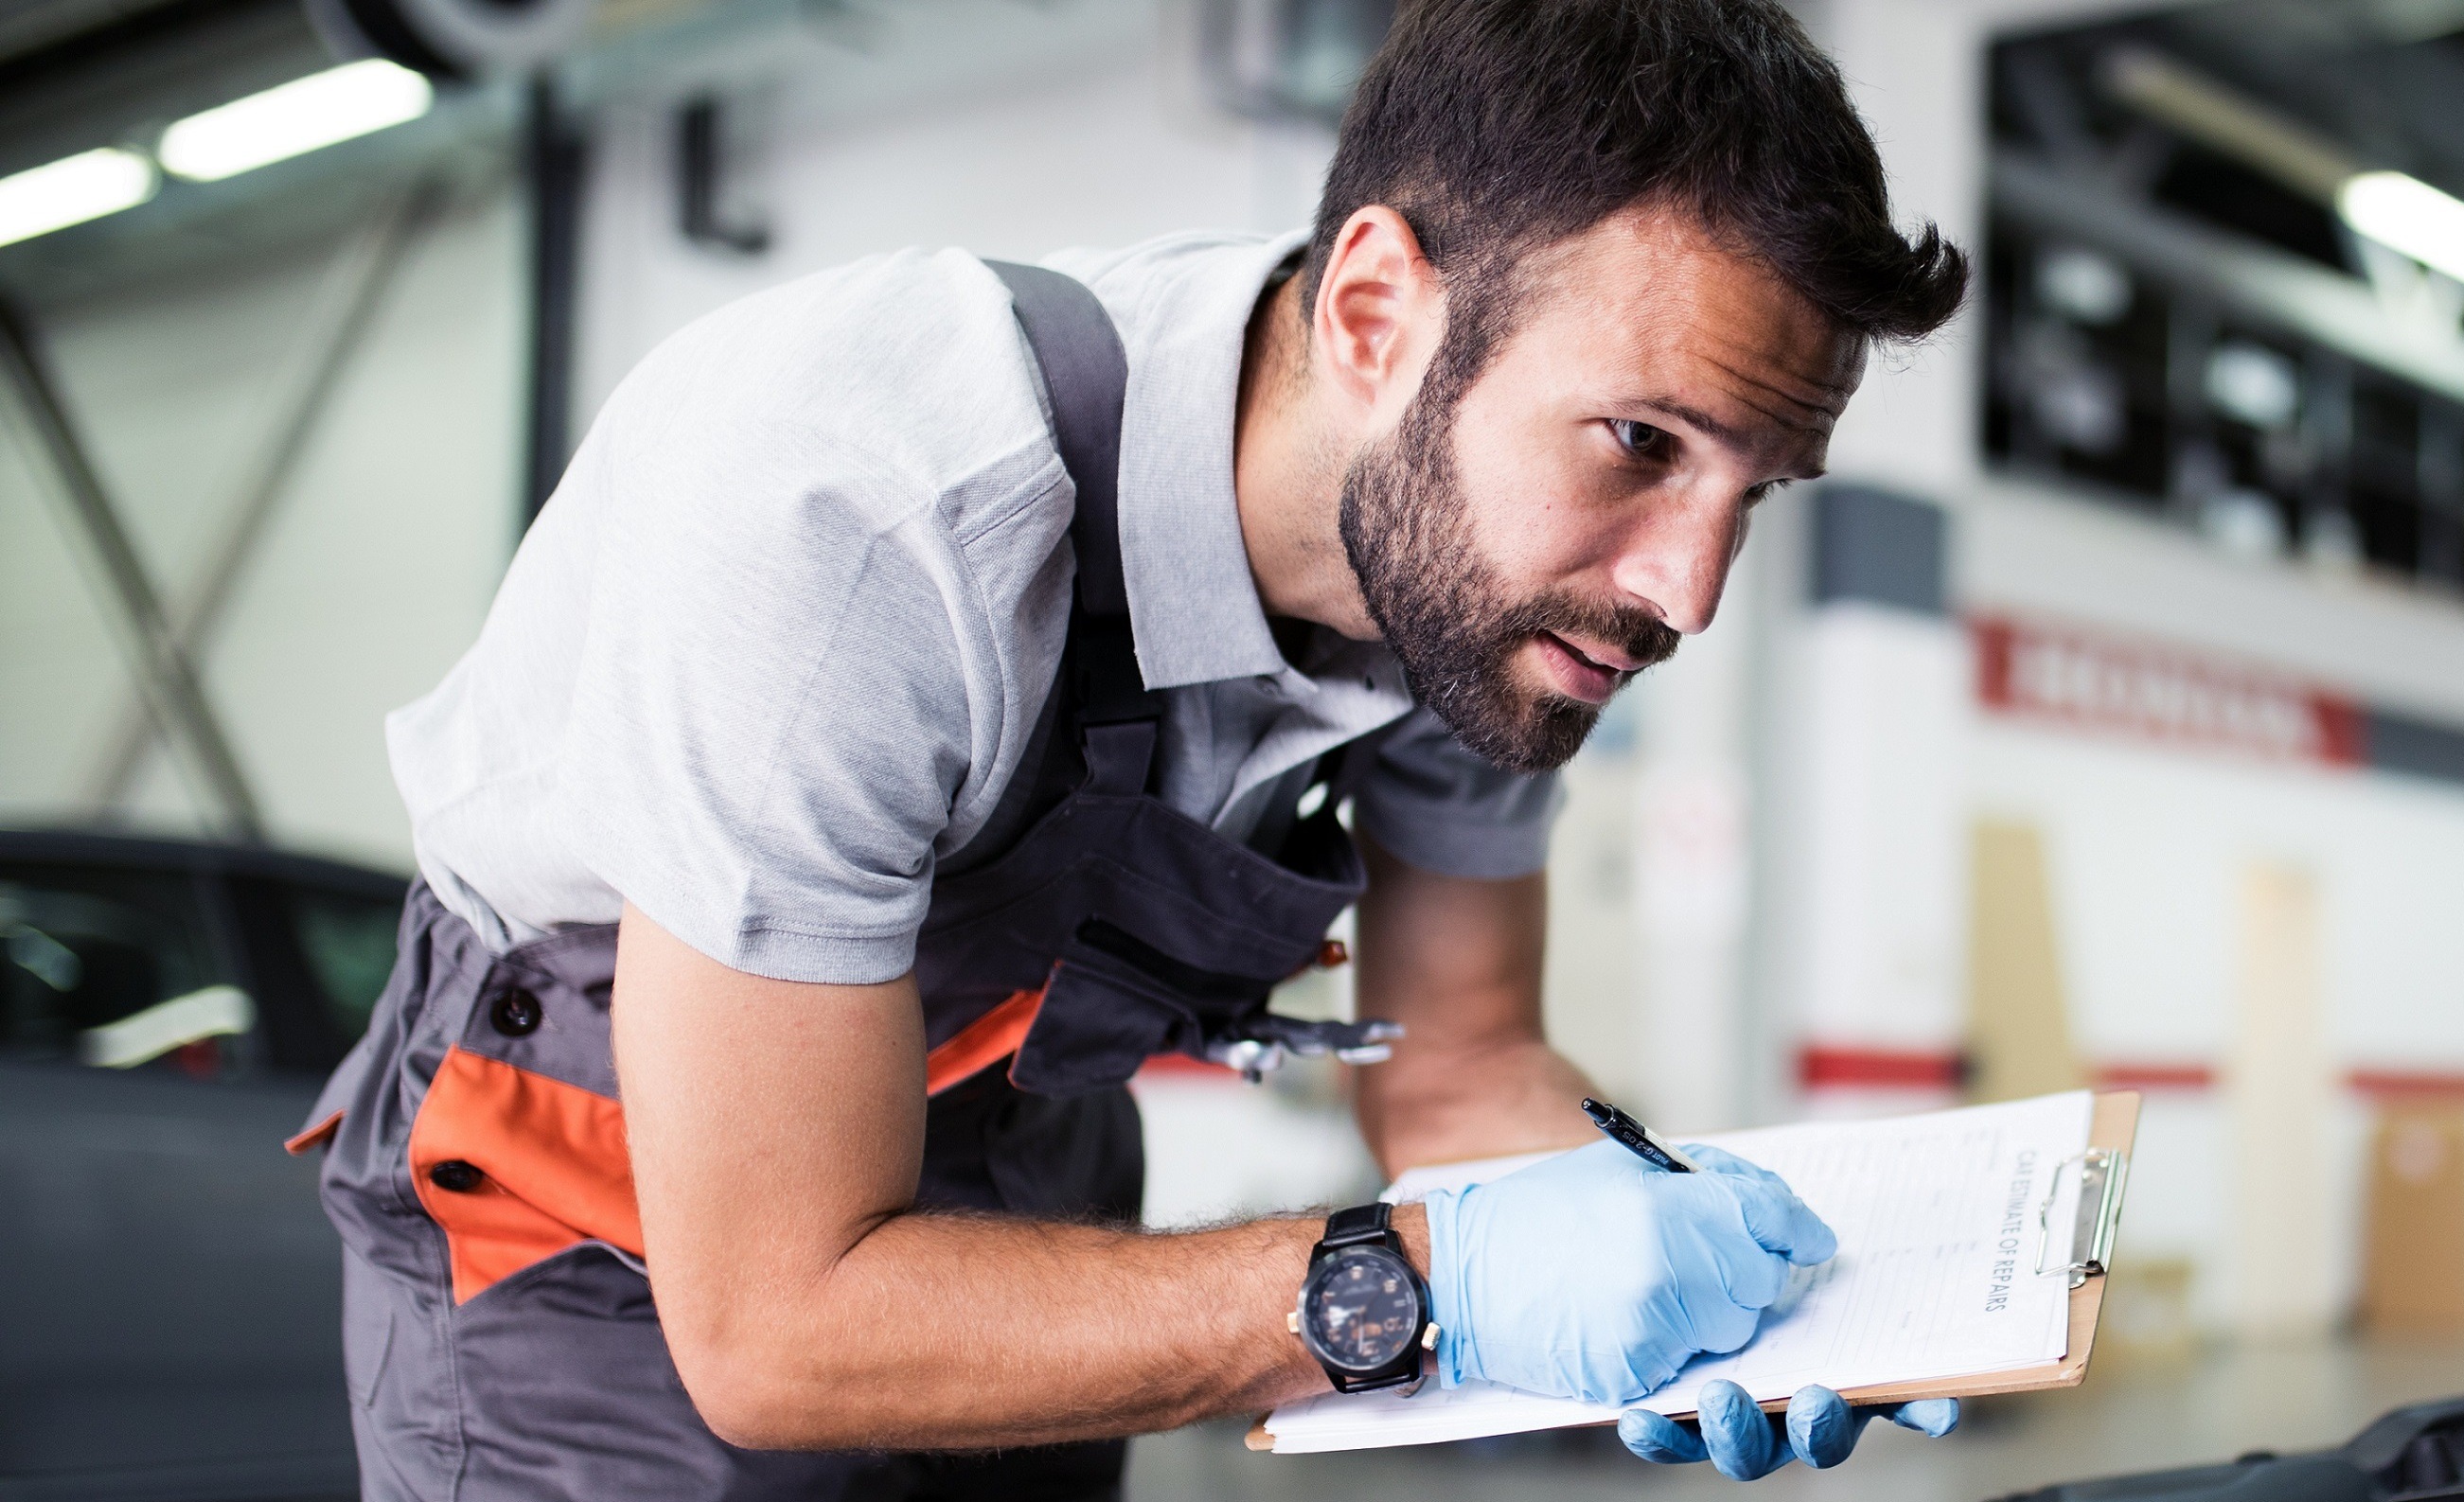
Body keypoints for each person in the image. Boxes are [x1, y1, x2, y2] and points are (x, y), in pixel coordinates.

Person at [285, 1, 1971, 1494]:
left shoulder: (1500, 605)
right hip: (611, 1210)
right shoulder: (859, 515)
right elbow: (777, 1327)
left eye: (1751, 491)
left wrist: (1693, 1287)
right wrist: (1426, 1279)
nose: (1684, 587)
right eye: (1639, 441)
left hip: (1028, 1156)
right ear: (1377, 315)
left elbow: (1458, 1069)